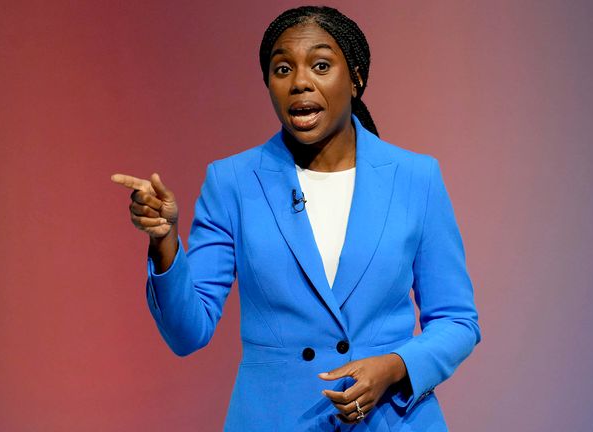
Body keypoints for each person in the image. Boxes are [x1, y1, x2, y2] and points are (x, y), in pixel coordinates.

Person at [112, 5, 481, 431]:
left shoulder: (416, 177)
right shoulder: (232, 181)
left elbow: (457, 320)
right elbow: (187, 333)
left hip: (392, 420)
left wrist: (395, 366)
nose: (300, 81)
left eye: (321, 65)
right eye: (282, 69)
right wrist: (164, 243)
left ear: (356, 78)